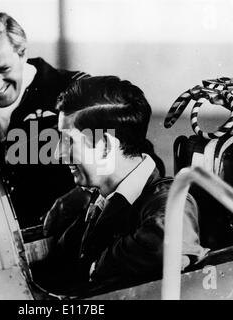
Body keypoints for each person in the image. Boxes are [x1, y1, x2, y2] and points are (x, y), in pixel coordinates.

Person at [42, 76, 208, 293]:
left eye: (68, 141)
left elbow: (167, 247)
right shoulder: (98, 197)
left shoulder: (169, 200)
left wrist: (95, 267)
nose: (58, 154)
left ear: (106, 147)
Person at [0, 12, 89, 228]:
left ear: (22, 53)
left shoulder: (76, 91)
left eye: (3, 69)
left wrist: (83, 195)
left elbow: (133, 160)